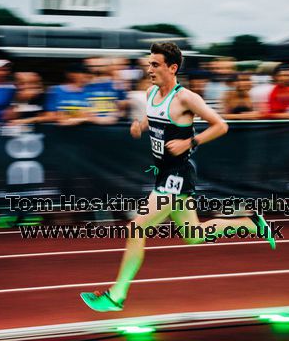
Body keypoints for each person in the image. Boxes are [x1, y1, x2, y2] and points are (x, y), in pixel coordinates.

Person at [80, 42, 275, 312]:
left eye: (156, 64)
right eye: (149, 64)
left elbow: (221, 125)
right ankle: (252, 223)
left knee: (137, 227)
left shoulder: (187, 98)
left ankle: (117, 295)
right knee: (194, 235)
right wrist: (141, 125)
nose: (149, 69)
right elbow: (155, 117)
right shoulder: (150, 93)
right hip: (163, 174)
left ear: (172, 68)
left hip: (178, 174)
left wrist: (189, 143)